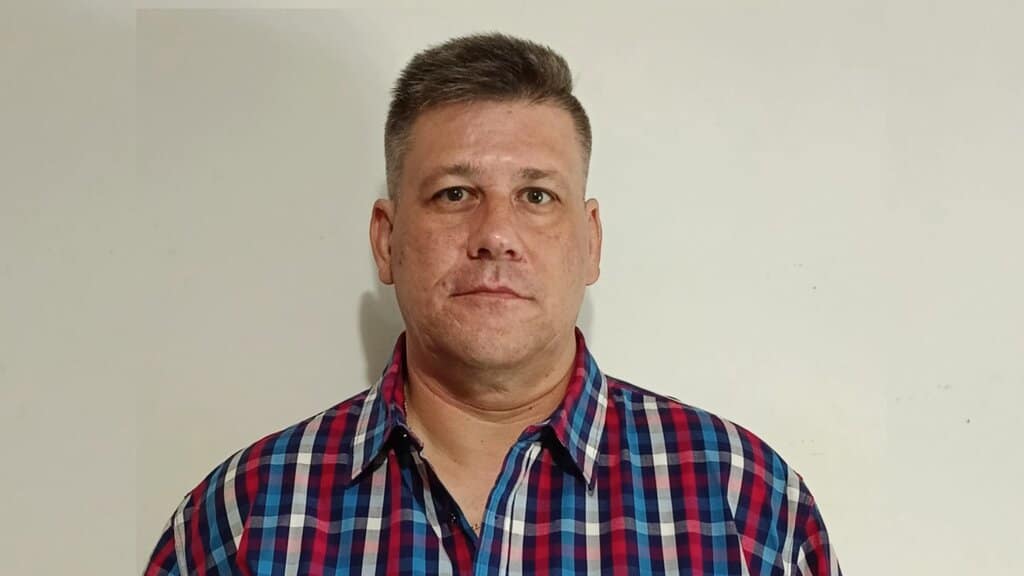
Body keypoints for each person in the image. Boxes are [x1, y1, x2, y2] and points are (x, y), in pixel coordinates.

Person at [145, 33, 841, 575]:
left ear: (590, 243)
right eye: (455, 193)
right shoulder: (245, 518)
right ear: (386, 241)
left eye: (537, 195)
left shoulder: (744, 504)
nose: (496, 235)